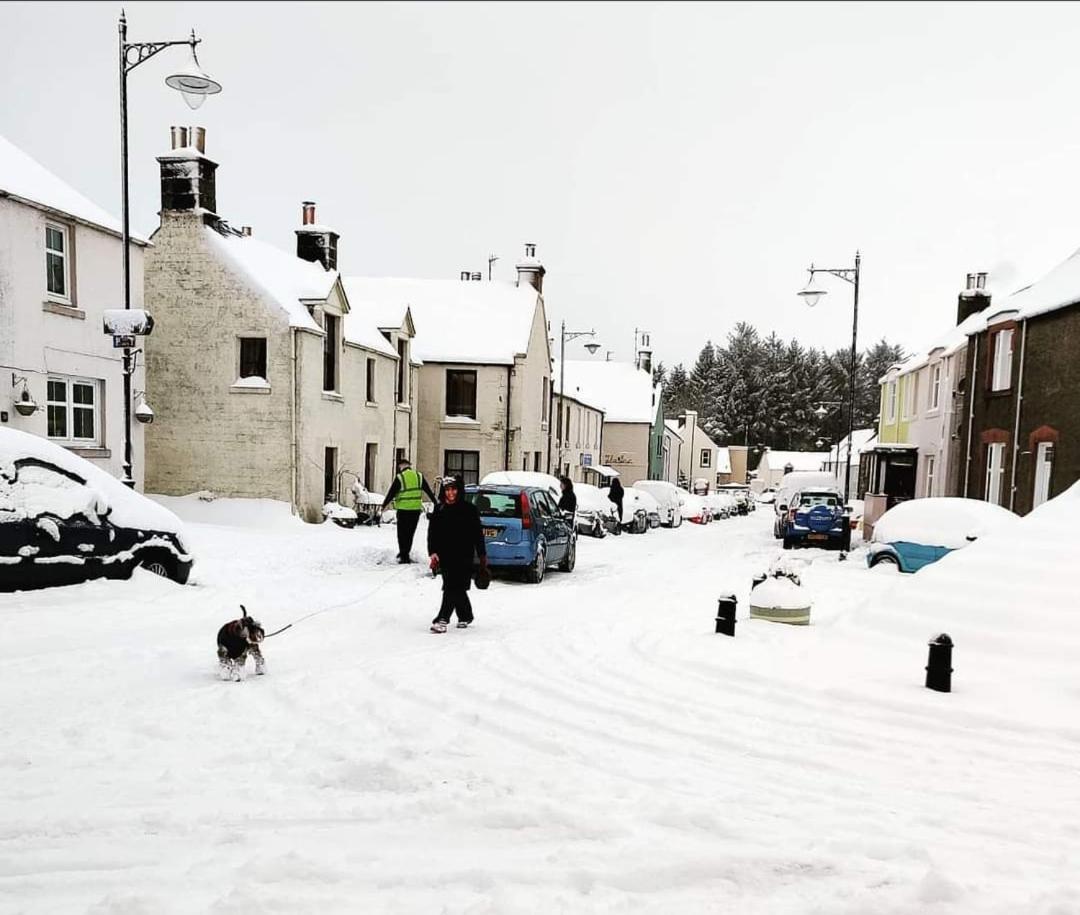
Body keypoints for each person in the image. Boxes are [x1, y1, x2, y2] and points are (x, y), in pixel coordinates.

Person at [427, 476, 488, 633]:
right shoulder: (439, 509)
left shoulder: (469, 510)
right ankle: (465, 615)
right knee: (456, 588)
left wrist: (482, 557)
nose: (451, 493)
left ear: (459, 491)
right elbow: (432, 533)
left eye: (454, 489)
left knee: (451, 587)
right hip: (445, 556)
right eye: (447, 490)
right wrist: (433, 553)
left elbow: (477, 535)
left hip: (464, 556)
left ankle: (442, 619)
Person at [381, 458, 437, 564]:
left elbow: (391, 493)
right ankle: (405, 552)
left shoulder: (400, 477)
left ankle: (403, 554)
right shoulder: (418, 476)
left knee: (402, 533)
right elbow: (428, 490)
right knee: (410, 532)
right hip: (415, 510)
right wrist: (435, 502)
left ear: (401, 466)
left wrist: (384, 505)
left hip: (403, 510)